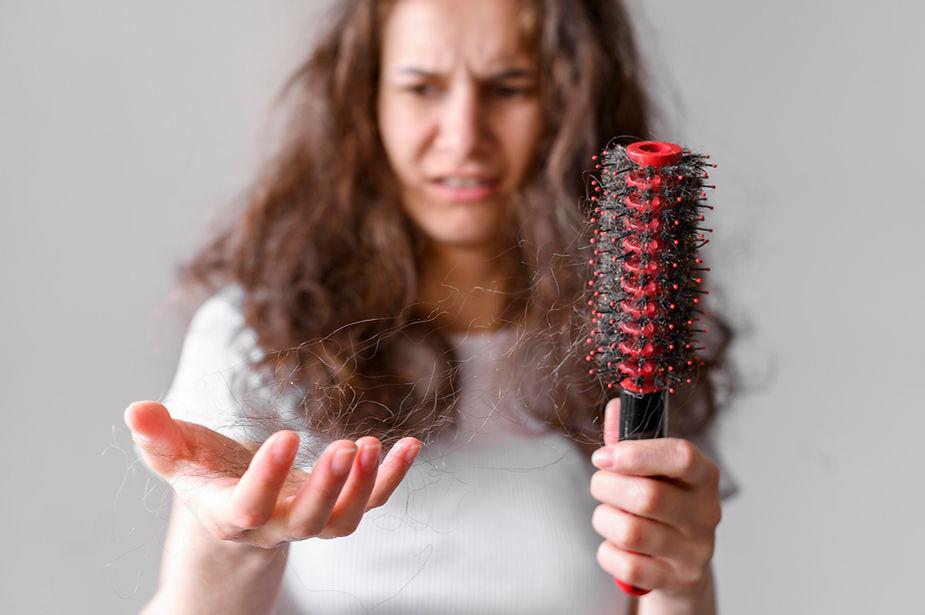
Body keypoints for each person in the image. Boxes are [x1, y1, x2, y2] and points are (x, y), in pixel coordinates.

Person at [124, 0, 738, 613]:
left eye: (509, 87)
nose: (464, 135)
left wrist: (681, 581)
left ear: (572, 100)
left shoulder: (643, 337)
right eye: (421, 88)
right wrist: (236, 542)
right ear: (367, 100)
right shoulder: (254, 337)